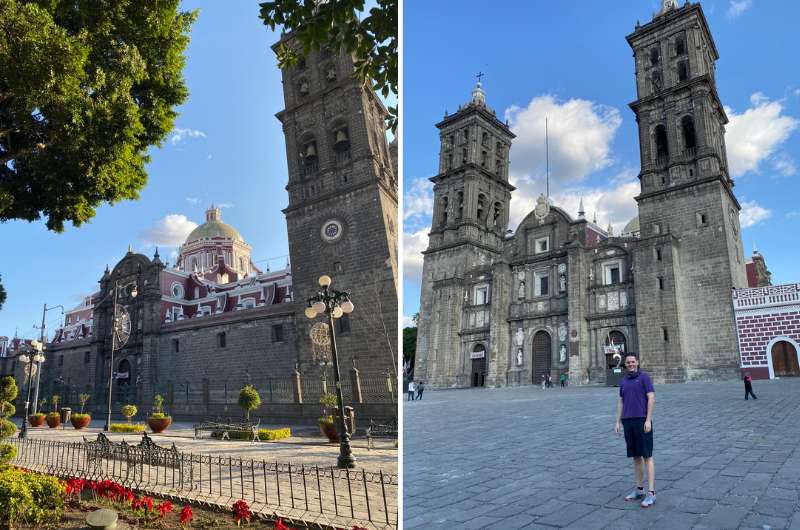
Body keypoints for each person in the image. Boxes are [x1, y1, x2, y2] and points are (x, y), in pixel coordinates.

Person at [614, 353, 656, 508]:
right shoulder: (623, 381)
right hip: (628, 421)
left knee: (647, 456)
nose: (631, 364)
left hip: (641, 420)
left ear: (637, 362)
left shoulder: (644, 377)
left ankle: (651, 493)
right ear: (625, 364)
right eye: (628, 362)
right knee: (636, 457)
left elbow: (651, 398)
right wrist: (618, 421)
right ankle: (639, 489)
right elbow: (621, 402)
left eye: (633, 361)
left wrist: (648, 419)